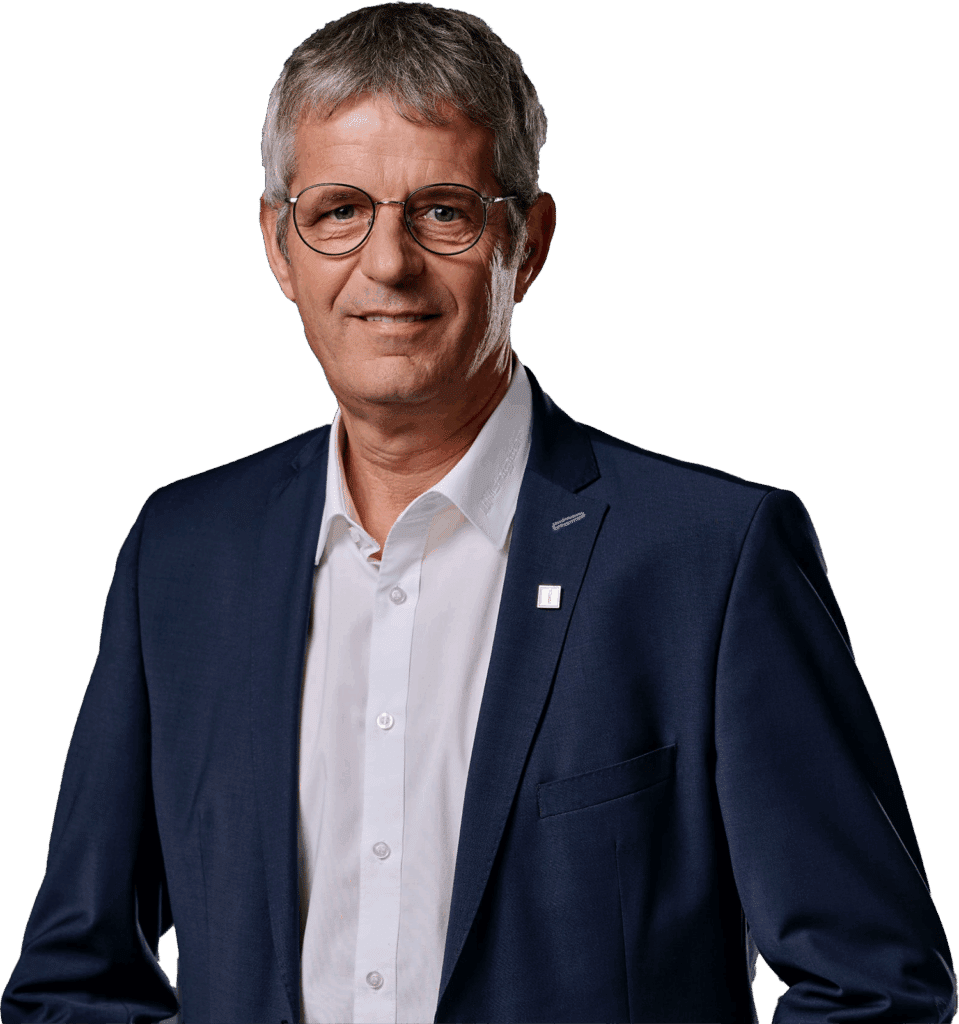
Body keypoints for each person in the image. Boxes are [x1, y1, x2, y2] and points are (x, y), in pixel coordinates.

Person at [3, 4, 955, 1023]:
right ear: (280, 246)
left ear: (525, 244)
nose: (387, 263)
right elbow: (73, 984)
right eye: (338, 211)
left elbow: (873, 987)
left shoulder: (706, 561)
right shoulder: (184, 556)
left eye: (443, 211)